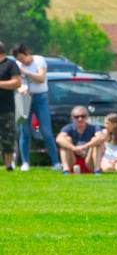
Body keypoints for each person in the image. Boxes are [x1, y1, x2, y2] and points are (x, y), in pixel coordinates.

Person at [12, 43, 61, 171]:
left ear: (27, 53)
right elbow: (18, 82)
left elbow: (41, 78)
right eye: (18, 60)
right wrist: (21, 88)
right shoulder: (17, 65)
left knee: (46, 131)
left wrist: (26, 72)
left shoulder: (39, 60)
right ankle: (25, 162)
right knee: (25, 131)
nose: (21, 61)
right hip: (25, 98)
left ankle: (55, 162)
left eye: (22, 58)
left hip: (40, 98)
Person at [55, 105, 106, 175]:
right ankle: (65, 170)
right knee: (66, 140)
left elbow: (101, 138)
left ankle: (97, 170)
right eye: (77, 117)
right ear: (72, 118)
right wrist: (74, 148)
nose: (80, 119)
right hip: (72, 161)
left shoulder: (94, 128)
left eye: (83, 116)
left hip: (89, 161)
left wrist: (84, 146)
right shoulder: (68, 128)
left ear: (87, 117)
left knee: (96, 141)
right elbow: (59, 139)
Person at [0, 41, 22, 171]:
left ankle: (9, 166)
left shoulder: (10, 65)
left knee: (8, 138)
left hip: (6, 109)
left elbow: (17, 82)